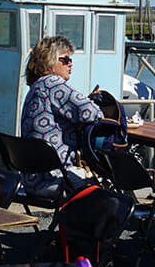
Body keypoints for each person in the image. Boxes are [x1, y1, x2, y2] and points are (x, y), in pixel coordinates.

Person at [19, 35, 104, 192]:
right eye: (65, 60)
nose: (70, 64)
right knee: (106, 185)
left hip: (31, 179)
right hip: (54, 179)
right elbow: (92, 113)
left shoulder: (36, 87)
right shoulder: (52, 83)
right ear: (49, 61)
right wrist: (94, 102)